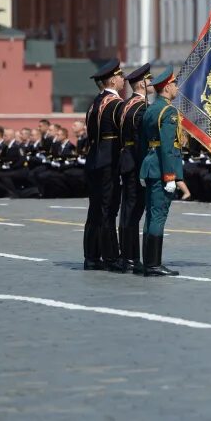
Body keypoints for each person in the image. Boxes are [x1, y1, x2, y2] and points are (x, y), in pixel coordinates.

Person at [138, 66, 182, 277]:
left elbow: (144, 142)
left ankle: (148, 262)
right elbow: (166, 146)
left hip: (150, 166)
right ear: (167, 87)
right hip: (161, 169)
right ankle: (153, 264)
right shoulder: (168, 111)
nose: (176, 87)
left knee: (150, 215)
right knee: (158, 216)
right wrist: (170, 176)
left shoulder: (151, 109)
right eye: (174, 84)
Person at [83, 59, 125, 271]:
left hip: (94, 160)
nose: (123, 79)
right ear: (113, 80)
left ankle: (91, 256)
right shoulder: (116, 104)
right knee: (108, 210)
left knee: (95, 211)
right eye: (120, 76)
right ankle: (111, 257)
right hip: (110, 161)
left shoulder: (94, 104)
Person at [117, 63, 152, 273]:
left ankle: (126, 256)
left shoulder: (126, 104)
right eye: (149, 80)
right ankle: (130, 257)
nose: (151, 83)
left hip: (125, 159)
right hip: (136, 161)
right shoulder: (141, 107)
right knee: (133, 211)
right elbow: (142, 141)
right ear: (141, 84)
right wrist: (144, 168)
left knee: (127, 210)